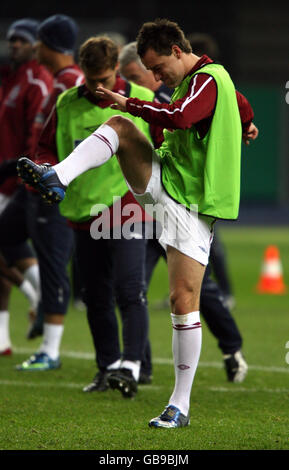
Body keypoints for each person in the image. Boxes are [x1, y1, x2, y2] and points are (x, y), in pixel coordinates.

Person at [18, 19, 258, 428]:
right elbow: (242, 106)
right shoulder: (196, 82)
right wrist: (247, 122)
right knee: (121, 130)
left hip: (193, 205)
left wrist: (128, 100)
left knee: (184, 303)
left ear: (178, 51)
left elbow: (182, 118)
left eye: (158, 66)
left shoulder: (210, 78)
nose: (155, 76)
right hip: (169, 182)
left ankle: (179, 405)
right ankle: (57, 176)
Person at [20, 36, 154, 394]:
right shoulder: (66, 102)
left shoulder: (140, 99)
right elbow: (47, 148)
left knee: (129, 290)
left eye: (106, 80)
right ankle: (107, 367)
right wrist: (47, 170)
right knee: (95, 296)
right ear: (82, 71)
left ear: (116, 72)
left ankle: (132, 366)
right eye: (92, 80)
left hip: (127, 207)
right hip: (83, 212)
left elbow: (165, 145)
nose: (99, 88)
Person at [119, 40, 252, 385]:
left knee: (195, 292)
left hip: (184, 205)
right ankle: (136, 366)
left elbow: (231, 102)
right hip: (147, 211)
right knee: (132, 288)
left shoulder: (177, 98)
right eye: (136, 75)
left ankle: (231, 346)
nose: (149, 78)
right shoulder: (164, 94)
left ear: (174, 54)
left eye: (143, 72)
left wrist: (245, 121)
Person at [8, 14, 84, 370]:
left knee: (55, 263)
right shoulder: (58, 80)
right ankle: (34, 292)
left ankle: (51, 350)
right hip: (32, 182)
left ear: (50, 44)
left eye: (38, 40)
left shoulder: (71, 84)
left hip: (51, 185)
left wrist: (57, 175)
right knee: (7, 237)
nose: (34, 46)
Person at [0, 18, 53, 355]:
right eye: (11, 39)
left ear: (36, 44)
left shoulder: (37, 81)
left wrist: (23, 172)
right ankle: (2, 339)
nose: (14, 44)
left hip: (14, 180)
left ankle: (38, 295)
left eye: (22, 39)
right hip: (3, 180)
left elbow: (36, 137)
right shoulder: (11, 79)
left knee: (7, 247)